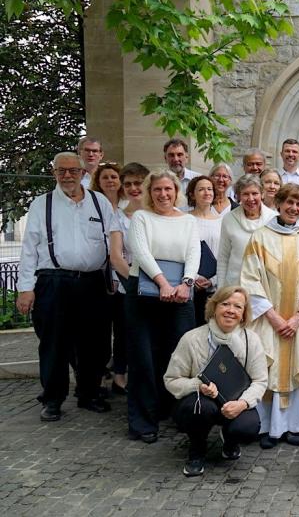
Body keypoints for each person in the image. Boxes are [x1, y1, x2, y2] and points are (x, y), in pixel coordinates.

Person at [17, 152, 120, 421]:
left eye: (73, 171)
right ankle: (52, 399)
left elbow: (115, 245)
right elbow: (29, 249)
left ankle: (89, 393)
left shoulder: (99, 203)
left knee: (95, 344)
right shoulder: (43, 204)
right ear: (53, 173)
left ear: (83, 173)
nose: (67, 176)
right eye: (61, 171)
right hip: (54, 282)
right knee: (54, 344)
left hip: (93, 283)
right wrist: (25, 287)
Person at [240, 184, 299, 449]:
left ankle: (295, 425)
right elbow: (249, 281)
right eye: (289, 203)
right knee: (268, 368)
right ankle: (268, 427)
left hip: (297, 322)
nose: (294, 208)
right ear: (278, 204)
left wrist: (297, 318)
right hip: (269, 320)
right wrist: (275, 318)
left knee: (297, 365)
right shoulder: (259, 237)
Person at [125, 169, 201, 443]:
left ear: (176, 192)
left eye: (168, 189)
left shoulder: (189, 220)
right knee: (143, 357)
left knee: (179, 356)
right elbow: (141, 252)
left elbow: (194, 252)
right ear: (150, 192)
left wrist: (186, 283)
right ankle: (143, 421)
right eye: (157, 189)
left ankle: (177, 413)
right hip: (143, 294)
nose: (163, 194)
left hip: (180, 294)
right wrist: (162, 283)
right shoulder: (141, 218)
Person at [163, 286, 268, 477]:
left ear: (243, 313)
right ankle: (196, 450)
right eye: (225, 304)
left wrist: (242, 404)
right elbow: (171, 380)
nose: (230, 310)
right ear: (214, 307)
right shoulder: (192, 338)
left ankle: (230, 440)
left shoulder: (251, 340)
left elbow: (260, 381)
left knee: (247, 427)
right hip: (201, 401)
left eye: (237, 306)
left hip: (235, 400)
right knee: (200, 409)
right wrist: (197, 385)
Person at [90, 163, 131, 395]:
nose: (110, 181)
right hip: (99, 274)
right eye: (105, 177)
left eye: (114, 176)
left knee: (123, 328)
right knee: (100, 331)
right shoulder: (93, 205)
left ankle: (120, 374)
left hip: (123, 275)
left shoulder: (127, 207)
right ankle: (98, 375)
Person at [112, 162, 150, 393]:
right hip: (132, 284)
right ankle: (121, 377)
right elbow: (116, 257)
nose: (134, 188)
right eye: (128, 184)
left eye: (138, 183)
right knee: (128, 334)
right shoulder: (118, 217)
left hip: (160, 285)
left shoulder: (156, 213)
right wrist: (136, 282)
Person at [217, 175, 277, 288]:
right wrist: (221, 289)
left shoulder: (273, 219)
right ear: (238, 196)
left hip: (266, 288)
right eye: (245, 194)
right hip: (235, 287)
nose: (251, 199)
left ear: (262, 194)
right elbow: (223, 258)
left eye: (255, 193)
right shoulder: (229, 219)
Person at [187, 176, 222, 326]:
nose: (206, 193)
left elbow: (224, 254)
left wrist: (213, 280)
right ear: (192, 194)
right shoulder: (185, 219)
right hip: (190, 285)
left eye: (209, 189)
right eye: (201, 189)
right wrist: (194, 277)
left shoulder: (223, 221)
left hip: (215, 286)